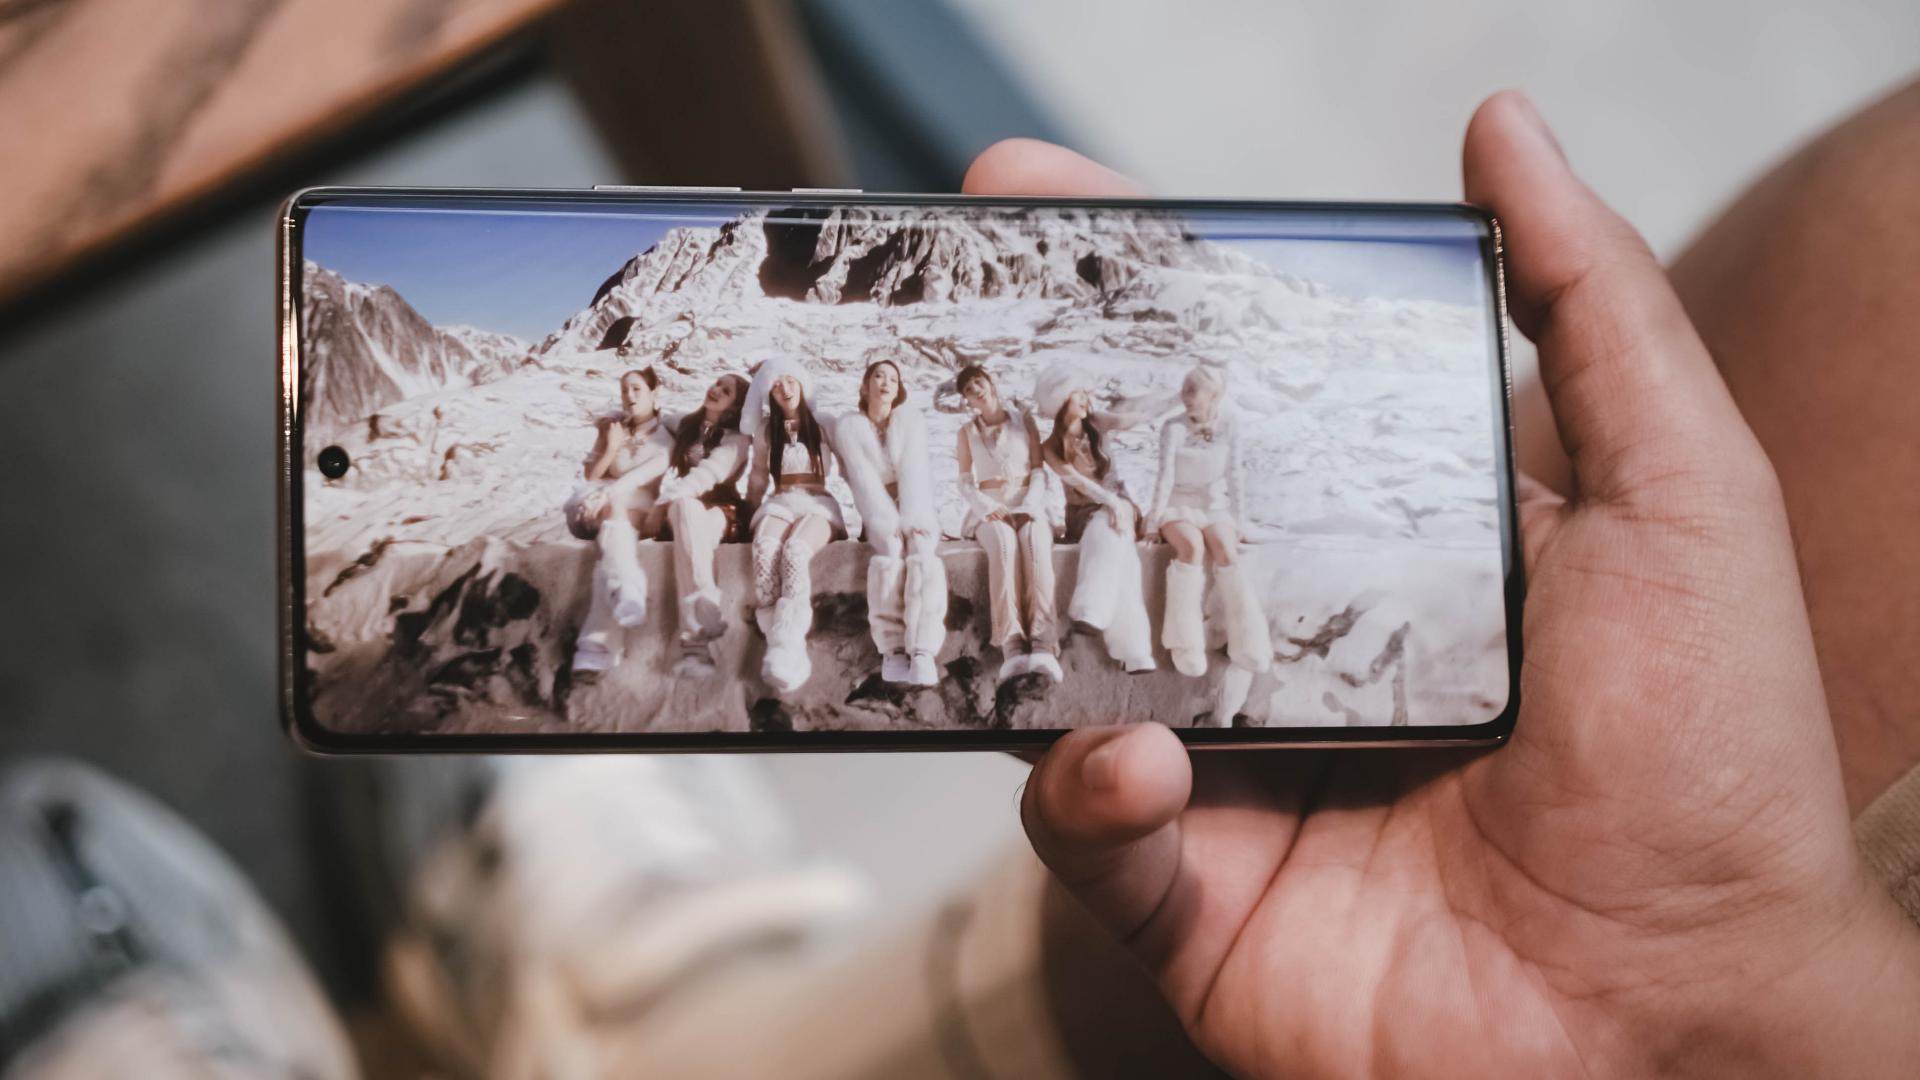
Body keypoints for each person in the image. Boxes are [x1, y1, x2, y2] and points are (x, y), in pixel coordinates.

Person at [998, 87, 1920, 1077]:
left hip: (1182, 942)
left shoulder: (1227, 433)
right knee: (1186, 612)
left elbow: (1230, 483)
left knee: (1219, 582)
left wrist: (1706, 1000)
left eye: (1204, 388)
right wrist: (1718, 997)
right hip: (1124, 937)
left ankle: (1220, 665)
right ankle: (1195, 664)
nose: (1198, 397)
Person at [1145, 365, 1272, 680]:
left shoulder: (1230, 424)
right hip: (1177, 505)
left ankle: (1248, 640)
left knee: (1226, 550)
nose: (1185, 396)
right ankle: (1184, 643)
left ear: (1214, 395)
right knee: (1191, 547)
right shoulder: (1173, 428)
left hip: (1214, 506)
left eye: (1193, 390)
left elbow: (1235, 475)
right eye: (1184, 389)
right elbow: (1165, 477)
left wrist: (1239, 522)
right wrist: (1153, 521)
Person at [835, 360, 947, 688]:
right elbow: (864, 483)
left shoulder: (911, 421)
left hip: (914, 505)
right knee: (890, 549)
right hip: (877, 510)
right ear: (864, 386)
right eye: (878, 376)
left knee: (922, 550)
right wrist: (887, 520)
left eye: (893, 379)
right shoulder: (849, 427)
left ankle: (923, 648)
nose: (886, 383)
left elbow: (916, 472)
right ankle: (893, 648)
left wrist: (914, 518)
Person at [1036, 367, 1155, 674]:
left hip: (1120, 505)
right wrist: (1110, 502)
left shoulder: (1098, 423)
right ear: (1061, 401)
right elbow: (1077, 482)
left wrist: (1175, 399)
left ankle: (1091, 609)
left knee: (1110, 527)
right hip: (1084, 513)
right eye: (1077, 393)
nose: (1085, 398)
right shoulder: (1050, 447)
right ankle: (1134, 649)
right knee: (1124, 556)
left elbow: (1130, 419)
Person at [742, 357, 847, 693]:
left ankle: (788, 647)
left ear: (802, 383)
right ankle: (783, 649)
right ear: (768, 394)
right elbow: (758, 477)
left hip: (818, 503)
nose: (784, 389)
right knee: (765, 549)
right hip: (780, 501)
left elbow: (852, 471)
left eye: (790, 381)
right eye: (775, 385)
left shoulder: (824, 424)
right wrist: (747, 513)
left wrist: (873, 519)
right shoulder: (765, 430)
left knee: (795, 551)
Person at [954, 363, 1062, 684]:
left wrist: (1030, 505)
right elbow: (965, 481)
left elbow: (1039, 471)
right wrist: (987, 507)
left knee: (1034, 544)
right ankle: (1012, 646)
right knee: (1003, 545)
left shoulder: (1023, 421)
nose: (976, 390)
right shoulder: (966, 432)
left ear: (991, 383)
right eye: (969, 390)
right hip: (990, 508)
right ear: (967, 400)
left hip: (1029, 501)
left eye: (979, 382)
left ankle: (1043, 644)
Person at [565, 368, 674, 675]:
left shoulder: (667, 438)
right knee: (613, 523)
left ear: (654, 393)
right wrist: (612, 446)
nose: (629, 396)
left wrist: (607, 495)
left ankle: (597, 646)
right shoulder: (612, 427)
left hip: (637, 507)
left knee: (611, 538)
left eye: (637, 389)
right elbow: (591, 476)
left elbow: (640, 478)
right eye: (624, 389)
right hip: (596, 504)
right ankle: (627, 588)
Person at [657, 372, 753, 677]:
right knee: (685, 509)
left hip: (722, 509)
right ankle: (704, 602)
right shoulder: (686, 424)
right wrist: (612, 417)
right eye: (717, 384)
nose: (716, 390)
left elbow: (708, 474)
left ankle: (695, 646)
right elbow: (654, 417)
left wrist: (663, 503)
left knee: (694, 528)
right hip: (685, 508)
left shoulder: (737, 440)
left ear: (734, 407)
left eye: (726, 391)